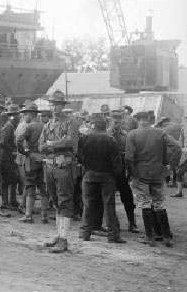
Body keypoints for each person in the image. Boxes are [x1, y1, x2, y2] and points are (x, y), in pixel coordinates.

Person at [125, 110, 181, 247]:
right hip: (158, 173)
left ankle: (149, 237)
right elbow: (177, 147)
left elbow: (128, 157)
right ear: (149, 119)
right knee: (159, 203)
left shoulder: (132, 134)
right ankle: (167, 237)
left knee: (144, 203)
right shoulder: (160, 133)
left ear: (138, 120)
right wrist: (170, 166)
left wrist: (132, 173)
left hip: (141, 173)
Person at [39, 90, 79, 253]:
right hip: (49, 166)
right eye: (53, 105)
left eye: (58, 105)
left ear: (63, 106)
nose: (55, 108)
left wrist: (52, 144)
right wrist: (55, 144)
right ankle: (58, 235)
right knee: (55, 200)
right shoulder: (47, 125)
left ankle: (64, 239)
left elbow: (71, 142)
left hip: (63, 166)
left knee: (65, 201)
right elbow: (40, 146)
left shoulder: (71, 123)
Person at [77, 113, 126, 244]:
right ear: (105, 127)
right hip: (107, 176)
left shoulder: (84, 139)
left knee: (88, 204)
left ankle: (85, 233)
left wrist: (87, 166)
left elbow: (80, 158)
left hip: (89, 175)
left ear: (93, 126)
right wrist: (113, 175)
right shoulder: (111, 140)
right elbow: (117, 163)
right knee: (109, 206)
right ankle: (113, 236)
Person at [16, 101, 47, 223]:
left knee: (30, 187)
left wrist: (24, 152)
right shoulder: (45, 126)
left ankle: (28, 215)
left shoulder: (29, 127)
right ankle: (44, 216)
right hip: (44, 159)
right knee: (44, 188)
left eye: (26, 114)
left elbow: (19, 140)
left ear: (30, 114)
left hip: (32, 159)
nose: (25, 117)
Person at [108, 110, 138, 232]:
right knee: (108, 197)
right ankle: (111, 223)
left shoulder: (126, 136)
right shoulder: (105, 135)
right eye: (115, 122)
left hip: (122, 171)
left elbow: (130, 154)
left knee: (127, 197)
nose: (117, 125)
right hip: (108, 171)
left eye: (119, 122)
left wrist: (130, 172)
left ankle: (132, 222)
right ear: (111, 121)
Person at [0, 104, 21, 211]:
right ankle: (5, 202)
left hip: (11, 156)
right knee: (6, 180)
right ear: (12, 116)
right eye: (16, 115)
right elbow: (3, 142)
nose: (18, 117)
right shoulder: (8, 127)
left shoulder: (13, 126)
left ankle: (12, 200)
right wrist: (13, 150)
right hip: (6, 157)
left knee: (13, 179)